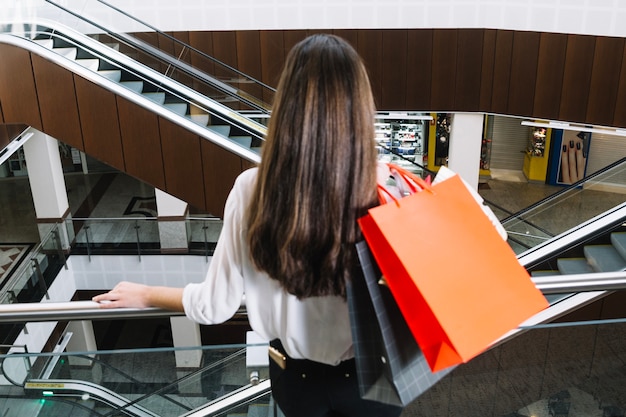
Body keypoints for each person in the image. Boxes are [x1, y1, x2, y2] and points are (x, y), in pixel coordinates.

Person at [93, 34, 403, 417]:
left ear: (287, 107)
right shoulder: (391, 189)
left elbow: (213, 306)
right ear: (361, 110)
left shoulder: (252, 189)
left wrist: (147, 294)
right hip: (376, 374)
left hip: (295, 379)